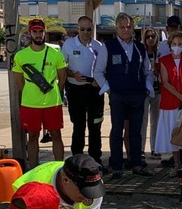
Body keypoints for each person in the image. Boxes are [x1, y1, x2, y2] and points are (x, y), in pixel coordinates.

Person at [104, 12, 155, 179]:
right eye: (122, 27)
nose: (126, 30)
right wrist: (108, 89)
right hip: (118, 95)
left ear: (133, 28)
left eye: (128, 27)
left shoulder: (140, 47)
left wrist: (147, 87)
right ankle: (117, 166)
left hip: (137, 95)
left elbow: (148, 70)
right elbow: (98, 71)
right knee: (117, 130)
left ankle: (137, 165)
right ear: (116, 28)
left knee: (136, 132)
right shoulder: (108, 46)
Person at [12, 18, 67, 169]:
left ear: (45, 33)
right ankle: (34, 169)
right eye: (35, 31)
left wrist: (55, 93)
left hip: (52, 103)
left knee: (56, 135)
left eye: (40, 31)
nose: (38, 34)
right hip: (30, 104)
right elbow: (19, 82)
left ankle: (59, 169)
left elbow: (62, 79)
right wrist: (30, 93)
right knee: (33, 137)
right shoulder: (21, 56)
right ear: (30, 33)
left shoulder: (55, 52)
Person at [61, 16, 108, 167]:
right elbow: (61, 68)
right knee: (79, 126)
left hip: (94, 91)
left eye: (89, 29)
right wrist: (73, 74)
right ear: (77, 29)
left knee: (95, 126)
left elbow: (105, 69)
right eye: (82, 29)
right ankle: (77, 159)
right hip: (75, 90)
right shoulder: (68, 44)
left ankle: (96, 159)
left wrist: (99, 81)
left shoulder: (99, 46)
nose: (86, 32)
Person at [155, 31, 182, 175]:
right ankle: (176, 164)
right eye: (174, 44)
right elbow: (166, 83)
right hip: (170, 103)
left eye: (180, 44)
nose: (177, 47)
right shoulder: (164, 61)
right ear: (169, 45)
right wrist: (181, 97)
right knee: (173, 132)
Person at [142, 27, 161, 157]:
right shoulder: (140, 51)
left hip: (158, 90)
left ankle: (155, 148)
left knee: (156, 121)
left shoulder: (160, 52)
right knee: (143, 121)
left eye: (152, 36)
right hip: (143, 91)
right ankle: (141, 149)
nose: (150, 39)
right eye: (147, 37)